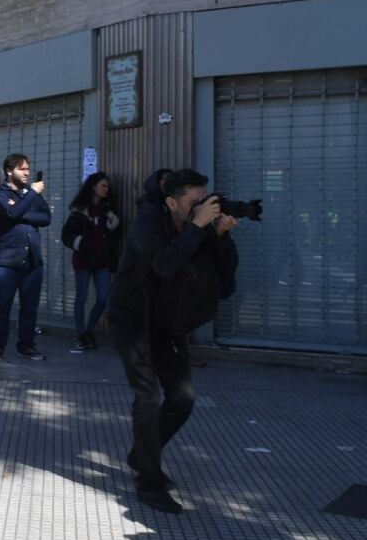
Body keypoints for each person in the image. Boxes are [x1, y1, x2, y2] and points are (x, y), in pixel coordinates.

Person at [108, 169, 238, 514]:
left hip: (168, 323)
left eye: (205, 201)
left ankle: (141, 455)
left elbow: (227, 276)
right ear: (171, 202)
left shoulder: (200, 229)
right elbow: (164, 264)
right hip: (134, 318)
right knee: (148, 399)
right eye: (196, 202)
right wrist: (197, 227)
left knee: (183, 398)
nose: (204, 208)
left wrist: (222, 236)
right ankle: (149, 481)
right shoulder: (146, 225)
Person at [0, 154, 50, 361]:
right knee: (2, 307)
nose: (27, 173)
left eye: (27, 169)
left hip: (32, 260)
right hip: (7, 261)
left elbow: (46, 217)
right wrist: (30, 196)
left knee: (29, 308)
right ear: (9, 171)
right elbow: (11, 213)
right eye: (21, 169)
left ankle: (26, 345)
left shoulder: (29, 195)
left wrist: (22, 210)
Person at [61, 172, 122, 351]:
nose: (106, 189)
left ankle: (89, 331)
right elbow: (66, 235)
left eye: (107, 186)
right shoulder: (80, 210)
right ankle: (81, 334)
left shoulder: (108, 209)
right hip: (84, 260)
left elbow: (115, 234)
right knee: (81, 297)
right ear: (93, 186)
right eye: (103, 185)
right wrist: (80, 244)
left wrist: (114, 222)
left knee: (102, 299)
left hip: (102, 261)